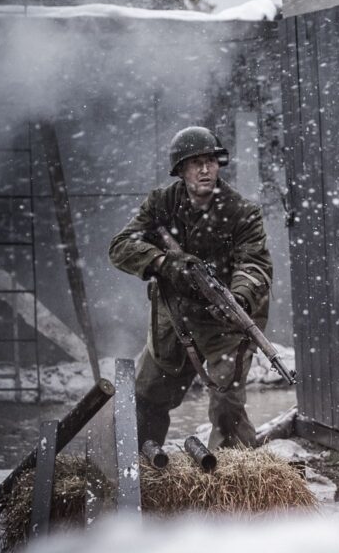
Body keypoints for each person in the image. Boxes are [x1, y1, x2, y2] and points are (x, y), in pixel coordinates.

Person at [109, 126, 273, 450]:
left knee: (227, 404)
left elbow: (255, 265)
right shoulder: (161, 203)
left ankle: (235, 482)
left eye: (210, 161)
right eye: (195, 162)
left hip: (226, 319)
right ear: (181, 170)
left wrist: (237, 297)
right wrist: (162, 262)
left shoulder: (242, 212)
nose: (204, 169)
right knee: (148, 394)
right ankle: (139, 467)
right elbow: (120, 247)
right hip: (173, 315)